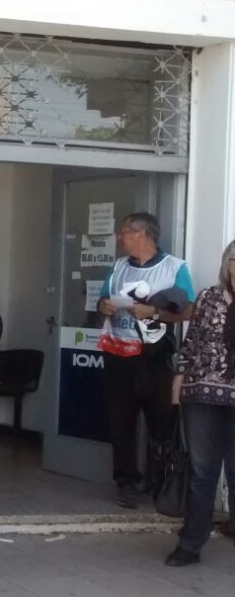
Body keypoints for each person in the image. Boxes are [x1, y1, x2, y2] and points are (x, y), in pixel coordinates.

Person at [96, 212, 194, 509]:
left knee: (161, 423)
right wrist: (105, 306)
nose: (119, 237)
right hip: (118, 354)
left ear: (141, 235)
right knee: (120, 423)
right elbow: (101, 301)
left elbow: (188, 311)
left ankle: (159, 482)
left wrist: (154, 313)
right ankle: (126, 483)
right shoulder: (118, 266)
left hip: (154, 357)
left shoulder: (175, 267)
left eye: (123, 232)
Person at [166, 240, 235, 567]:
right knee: (202, 471)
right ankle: (191, 543)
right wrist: (177, 386)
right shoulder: (208, 297)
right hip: (201, 395)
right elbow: (190, 343)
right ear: (227, 264)